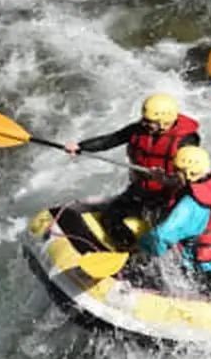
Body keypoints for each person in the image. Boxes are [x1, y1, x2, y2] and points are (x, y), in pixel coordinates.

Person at [65, 93, 200, 249]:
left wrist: (167, 179)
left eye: (150, 122)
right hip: (141, 189)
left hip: (169, 196)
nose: (144, 123)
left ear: (165, 121)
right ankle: (129, 248)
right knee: (110, 217)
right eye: (144, 119)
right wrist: (81, 146)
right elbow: (111, 140)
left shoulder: (187, 141)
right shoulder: (139, 130)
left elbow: (191, 173)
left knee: (164, 231)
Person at [137, 146, 211, 278]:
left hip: (196, 270)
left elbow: (160, 236)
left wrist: (140, 246)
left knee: (150, 254)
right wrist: (164, 180)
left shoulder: (190, 205)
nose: (173, 173)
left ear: (188, 173)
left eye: (177, 171)